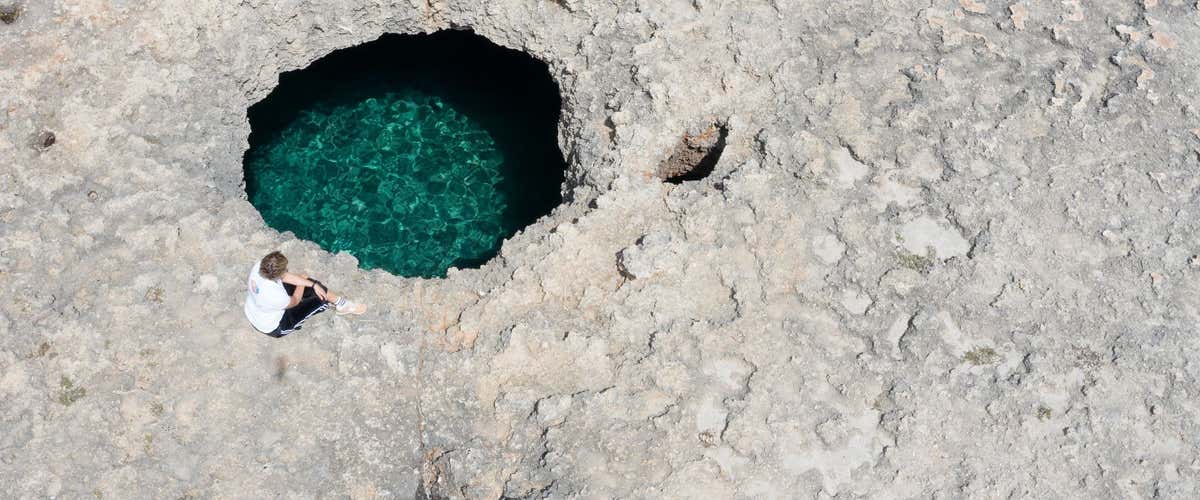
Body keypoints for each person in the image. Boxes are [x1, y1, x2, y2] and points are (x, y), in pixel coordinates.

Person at [244, 251, 366, 337]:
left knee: (314, 286)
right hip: (274, 327)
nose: (287, 270)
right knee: (321, 299)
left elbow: (285, 276)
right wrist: (303, 281)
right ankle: (338, 306)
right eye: (285, 269)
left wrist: (313, 284)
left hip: (253, 311)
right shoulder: (276, 297)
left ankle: (341, 303)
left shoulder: (259, 266)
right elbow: (296, 300)